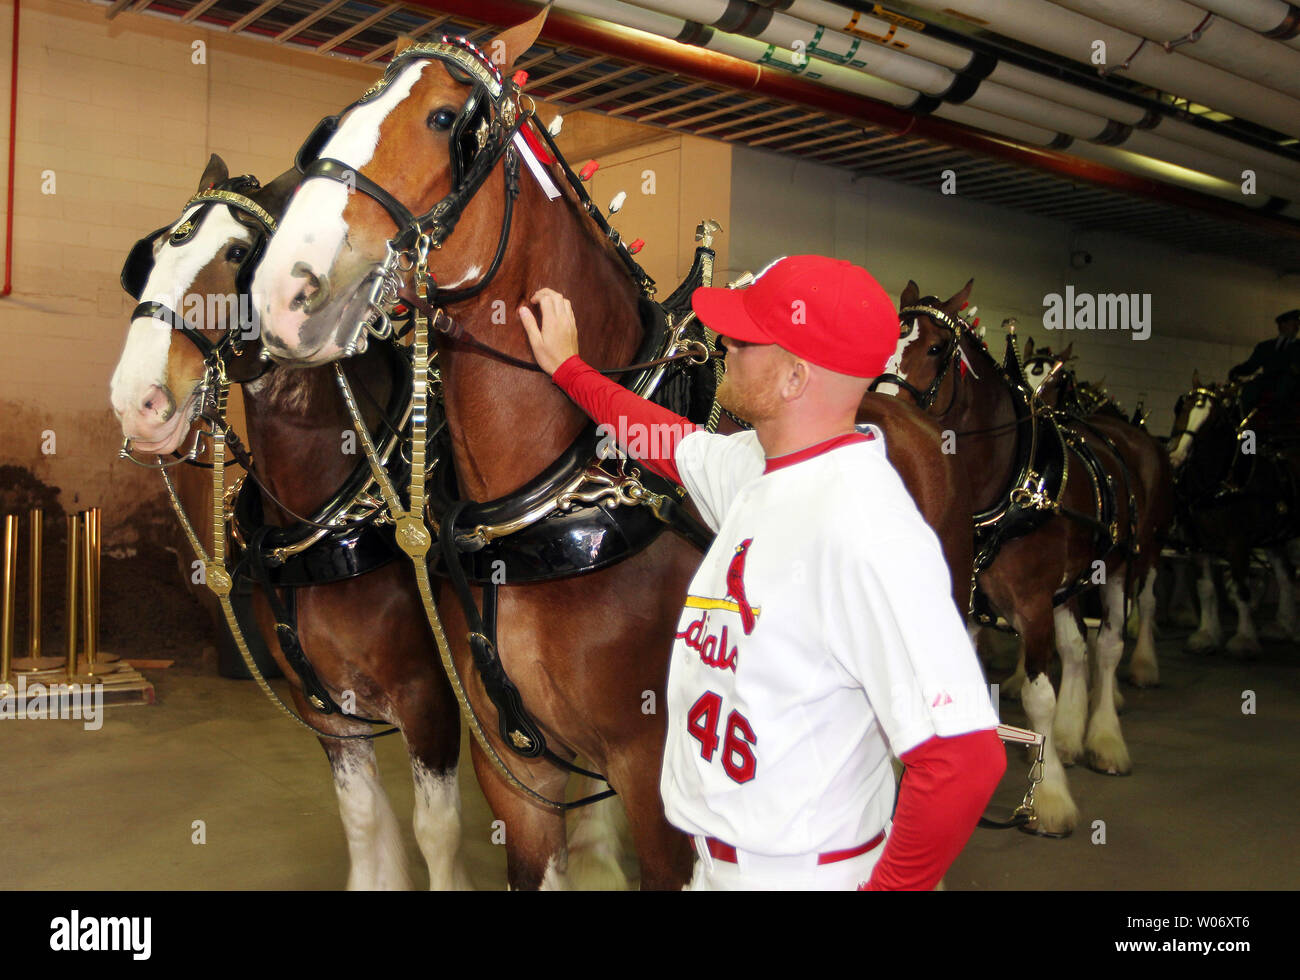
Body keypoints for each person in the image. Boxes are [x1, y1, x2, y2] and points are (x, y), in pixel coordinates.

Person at [518, 255, 1005, 890]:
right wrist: (569, 368)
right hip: (719, 869)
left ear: (794, 377)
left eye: (745, 341)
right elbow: (663, 440)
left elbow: (963, 759)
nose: (725, 344)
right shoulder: (764, 468)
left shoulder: (868, 527)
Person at [1229, 308, 1300, 417]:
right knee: (1248, 390)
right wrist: (1236, 371)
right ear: (1282, 325)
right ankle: (1244, 421)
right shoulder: (1266, 346)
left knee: (1284, 386)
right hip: (1267, 379)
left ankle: (1277, 419)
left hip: (1290, 381)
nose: (1297, 326)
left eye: (1297, 323)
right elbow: (1251, 365)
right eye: (1293, 323)